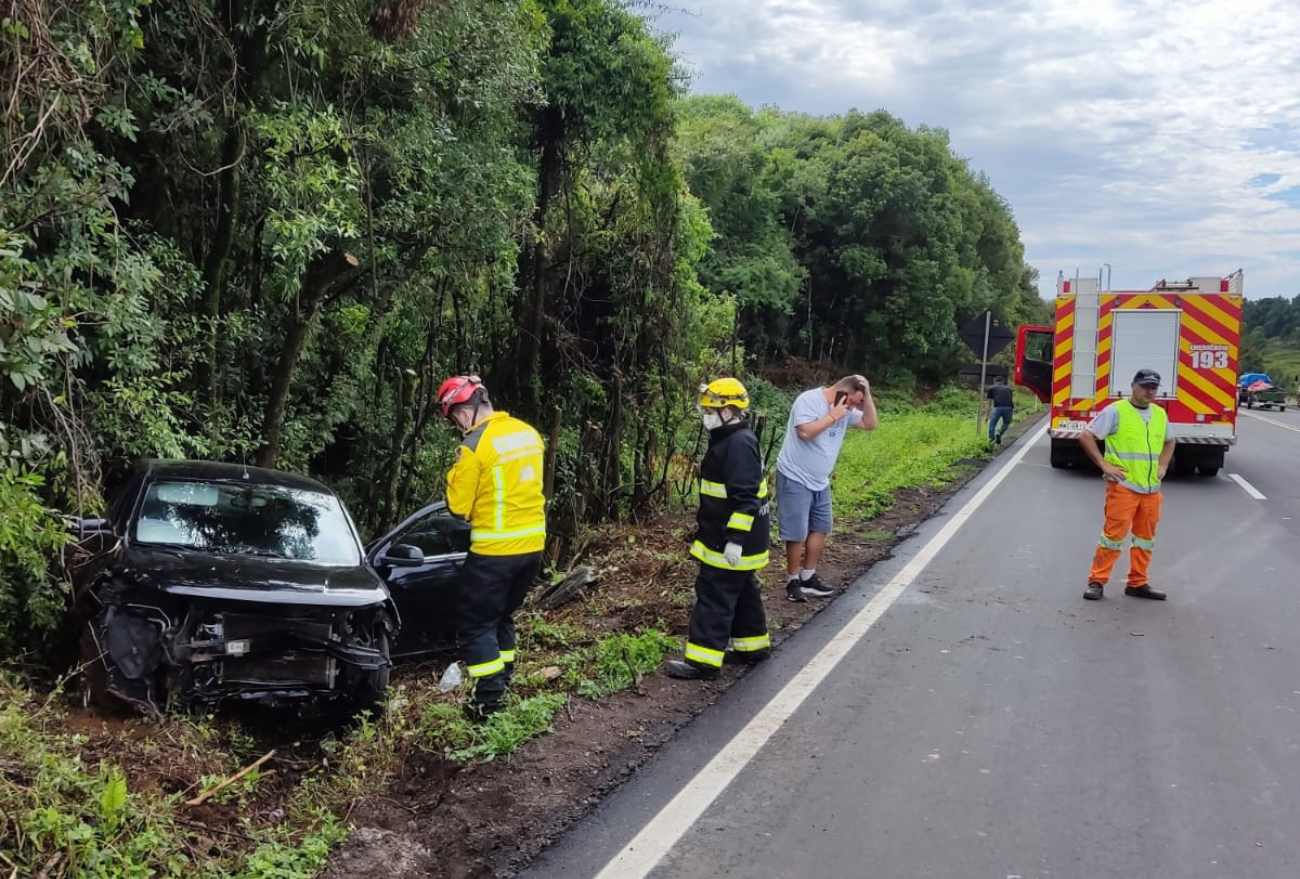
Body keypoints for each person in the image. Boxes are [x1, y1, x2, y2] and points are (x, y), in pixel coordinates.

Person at [436, 375, 547, 718]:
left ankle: (490, 703)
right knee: (502, 618)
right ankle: (504, 684)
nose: (456, 425)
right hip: (533, 548)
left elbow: (458, 507)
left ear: (463, 409)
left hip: (494, 554)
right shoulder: (527, 433)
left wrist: (454, 473)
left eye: (453, 417)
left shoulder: (473, 446)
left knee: (476, 627)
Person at [662, 378, 771, 680]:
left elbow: (745, 498)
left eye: (711, 410)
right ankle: (753, 647)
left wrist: (734, 539)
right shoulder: (732, 438)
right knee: (744, 590)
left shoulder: (736, 444)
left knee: (714, 593)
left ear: (731, 410)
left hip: (730, 540)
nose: (705, 415)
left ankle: (703, 661)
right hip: (737, 537)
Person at [774, 374, 879, 603]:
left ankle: (808, 577)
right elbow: (805, 432)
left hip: (820, 480)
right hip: (795, 475)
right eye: (852, 401)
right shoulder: (809, 400)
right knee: (797, 531)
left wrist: (867, 394)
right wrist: (833, 416)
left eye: (855, 404)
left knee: (821, 526)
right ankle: (792, 581)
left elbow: (870, 424)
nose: (852, 407)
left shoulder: (846, 409)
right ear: (843, 390)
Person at [1078, 368, 1174, 602]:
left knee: (1145, 540)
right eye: (1145, 387)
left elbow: (1170, 441)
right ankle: (1097, 581)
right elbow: (1086, 435)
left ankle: (1137, 583)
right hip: (1124, 487)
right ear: (1133, 385)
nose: (1149, 391)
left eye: (1153, 387)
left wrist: (1163, 466)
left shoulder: (1160, 414)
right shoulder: (1116, 411)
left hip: (1151, 490)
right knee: (1112, 537)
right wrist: (1104, 465)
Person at [985, 375, 1014, 444]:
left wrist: (986, 416)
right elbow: (1010, 399)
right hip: (1009, 407)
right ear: (1003, 382)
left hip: (997, 407)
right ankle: (999, 433)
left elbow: (989, 403)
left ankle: (991, 441)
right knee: (1006, 423)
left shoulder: (991, 388)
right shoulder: (1008, 388)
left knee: (992, 424)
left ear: (995, 381)